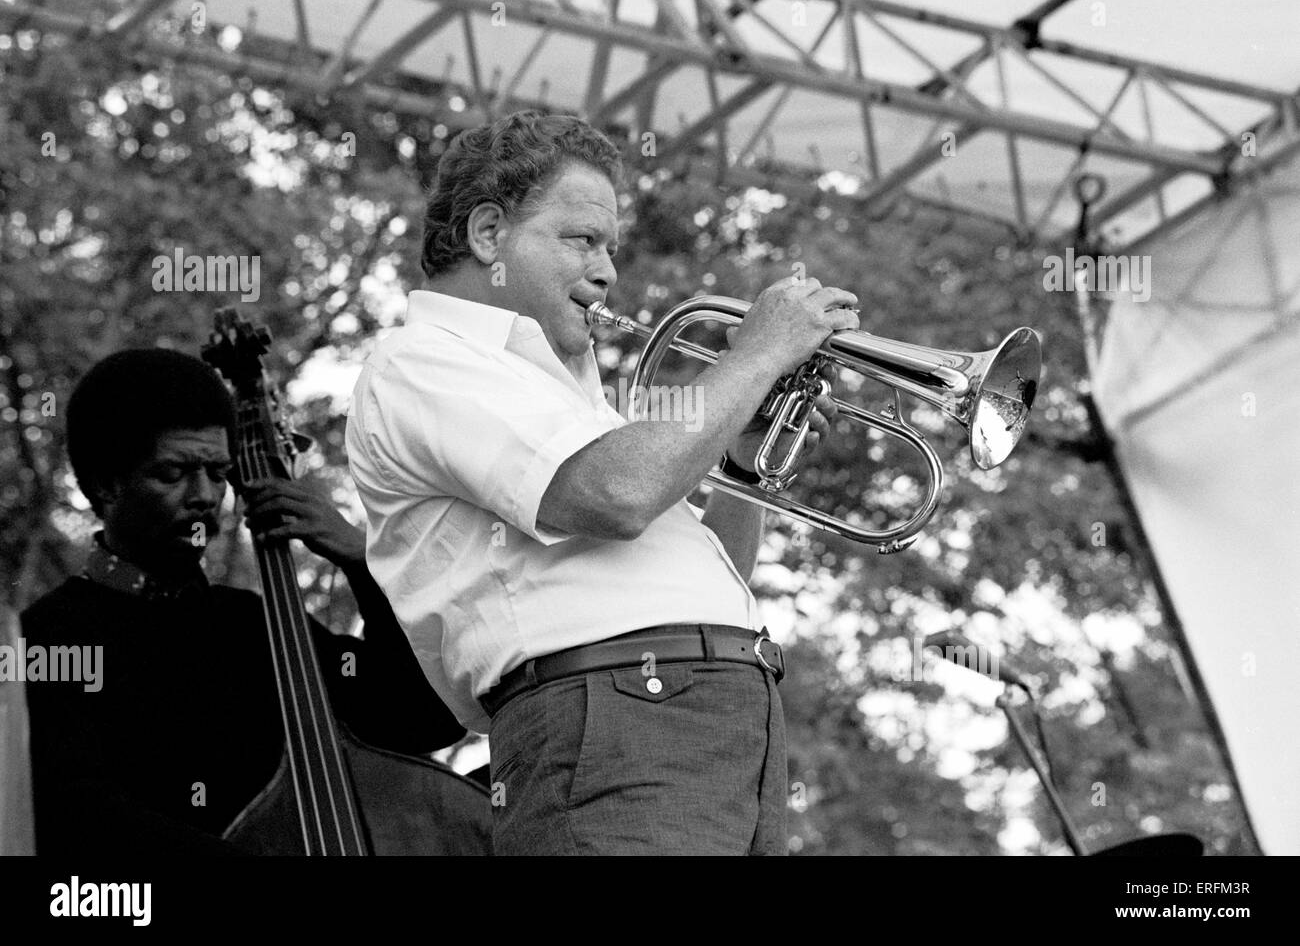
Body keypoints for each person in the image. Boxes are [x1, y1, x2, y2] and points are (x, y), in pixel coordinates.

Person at [346, 110, 857, 855]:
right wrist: (756, 355)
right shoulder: (422, 359)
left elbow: (700, 580)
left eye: (610, 247)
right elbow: (617, 496)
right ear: (490, 235)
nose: (608, 269)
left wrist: (742, 459)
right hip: (615, 717)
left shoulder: (571, 395)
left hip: (719, 723)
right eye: (582, 240)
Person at [20, 348, 465, 854]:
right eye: (173, 473)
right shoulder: (47, 637)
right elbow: (75, 813)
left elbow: (422, 718)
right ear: (106, 485)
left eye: (217, 472)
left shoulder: (252, 625)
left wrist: (362, 564)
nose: (206, 496)